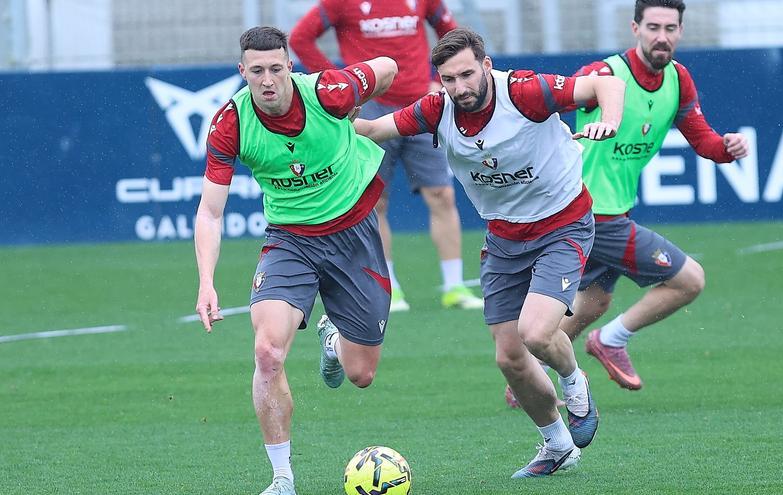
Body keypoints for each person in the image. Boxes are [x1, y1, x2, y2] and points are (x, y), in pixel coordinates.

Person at [355, 28, 625, 478]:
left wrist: (610, 119)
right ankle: (557, 445)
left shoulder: (523, 91)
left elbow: (607, 84)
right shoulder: (437, 108)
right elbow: (374, 128)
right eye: (448, 79)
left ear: (485, 65)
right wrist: (320, 115)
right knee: (509, 358)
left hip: (563, 224)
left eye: (466, 74)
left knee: (537, 333)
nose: (459, 87)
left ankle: (576, 385)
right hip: (504, 239)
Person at [506, 0, 748, 404]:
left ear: (681, 32)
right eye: (653, 27)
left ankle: (528, 380)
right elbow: (549, 103)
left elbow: (701, 137)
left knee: (593, 302)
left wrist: (726, 147)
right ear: (635, 28)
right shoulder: (603, 75)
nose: (662, 37)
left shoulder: (678, 79)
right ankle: (611, 341)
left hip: (612, 209)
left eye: (670, 28)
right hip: (590, 213)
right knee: (690, 280)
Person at [194, 26, 398, 495]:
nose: (268, 80)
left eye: (276, 68)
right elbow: (209, 211)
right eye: (257, 71)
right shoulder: (231, 122)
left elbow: (387, 67)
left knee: (361, 375)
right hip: (290, 241)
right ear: (241, 71)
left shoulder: (330, 91)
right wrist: (206, 281)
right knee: (267, 353)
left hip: (354, 232)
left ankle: (333, 337)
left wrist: (359, 106)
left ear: (290, 66)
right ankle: (282, 478)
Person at [290, 0, 483, 312]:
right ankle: (389, 288)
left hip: (421, 105)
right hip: (371, 110)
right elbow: (300, 38)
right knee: (374, 202)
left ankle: (455, 286)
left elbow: (453, 34)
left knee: (442, 195)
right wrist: (341, 85)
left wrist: (440, 75)